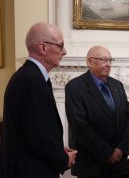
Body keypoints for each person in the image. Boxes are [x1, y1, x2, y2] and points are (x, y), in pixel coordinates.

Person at [0, 22, 77, 178]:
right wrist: (63, 159)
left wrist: (58, 148)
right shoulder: (31, 80)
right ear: (43, 48)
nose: (65, 52)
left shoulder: (32, 76)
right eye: (60, 45)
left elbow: (36, 129)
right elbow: (39, 137)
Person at [65, 46, 129, 178]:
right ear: (90, 62)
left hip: (117, 164)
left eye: (110, 60)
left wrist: (120, 148)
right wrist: (107, 153)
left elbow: (127, 117)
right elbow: (80, 126)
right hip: (91, 165)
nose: (108, 64)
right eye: (103, 60)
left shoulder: (117, 85)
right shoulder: (75, 87)